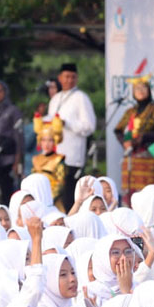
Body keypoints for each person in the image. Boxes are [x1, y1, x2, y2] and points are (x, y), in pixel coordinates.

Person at [46, 63, 97, 212]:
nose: (69, 80)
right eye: (66, 76)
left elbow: (89, 126)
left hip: (72, 157)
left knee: (70, 196)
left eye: (73, 77)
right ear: (60, 78)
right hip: (55, 156)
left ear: (77, 79)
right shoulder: (55, 98)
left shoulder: (81, 98)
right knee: (56, 197)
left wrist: (67, 123)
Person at [114, 75, 154, 206]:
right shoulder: (130, 112)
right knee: (131, 193)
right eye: (137, 88)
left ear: (149, 90)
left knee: (151, 193)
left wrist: (144, 137)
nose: (140, 91)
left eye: (143, 88)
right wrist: (125, 142)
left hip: (151, 157)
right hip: (131, 158)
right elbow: (118, 130)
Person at [31, 113, 67, 209]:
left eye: (50, 140)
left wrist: (48, 199)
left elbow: (60, 184)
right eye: (44, 140)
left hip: (53, 203)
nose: (46, 144)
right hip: (36, 200)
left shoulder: (59, 159)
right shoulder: (35, 159)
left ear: (54, 141)